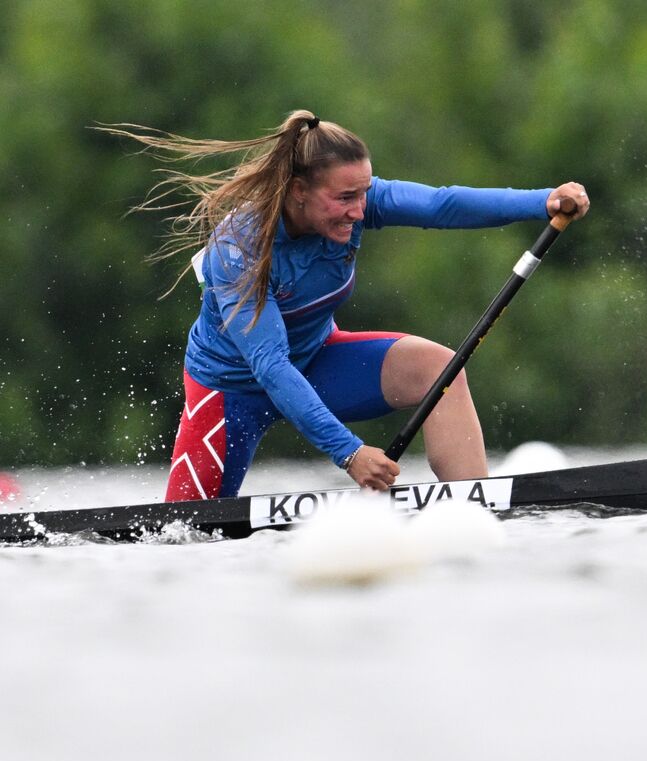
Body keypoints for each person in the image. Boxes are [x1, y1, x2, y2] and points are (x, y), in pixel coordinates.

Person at [105, 110, 587, 501]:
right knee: (180, 536)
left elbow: (442, 206)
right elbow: (270, 366)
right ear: (298, 192)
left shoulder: (355, 204)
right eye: (345, 197)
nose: (360, 209)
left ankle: (476, 505)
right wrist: (350, 454)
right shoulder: (240, 247)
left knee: (438, 368)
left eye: (365, 193)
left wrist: (542, 200)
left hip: (317, 361)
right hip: (231, 394)